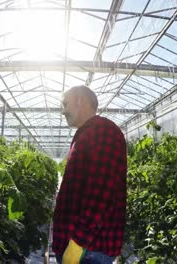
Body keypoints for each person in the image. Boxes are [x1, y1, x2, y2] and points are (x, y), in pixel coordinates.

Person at [52, 85, 127, 264]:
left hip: (88, 250)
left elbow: (101, 192)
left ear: (80, 101)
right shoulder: (88, 132)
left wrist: (78, 242)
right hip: (83, 247)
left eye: (65, 104)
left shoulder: (102, 131)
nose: (63, 111)